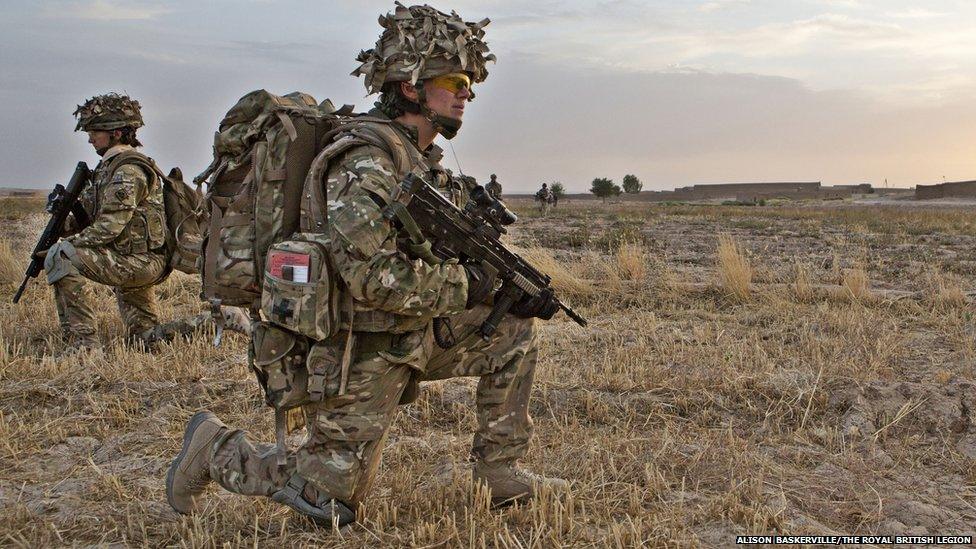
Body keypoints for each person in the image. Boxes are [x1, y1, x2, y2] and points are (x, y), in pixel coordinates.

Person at [166, 4, 568, 527]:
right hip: (358, 348)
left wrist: (505, 292)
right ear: (409, 87)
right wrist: (468, 286)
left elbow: (443, 262)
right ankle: (213, 447)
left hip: (408, 334)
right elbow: (374, 278)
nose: (466, 93)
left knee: (512, 332)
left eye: (469, 82)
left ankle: (499, 472)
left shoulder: (421, 163)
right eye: (455, 80)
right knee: (327, 503)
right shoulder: (365, 163)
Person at [41, 93, 169, 351]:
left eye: (95, 131)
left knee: (63, 256)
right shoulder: (108, 169)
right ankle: (214, 321)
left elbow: (109, 227)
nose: (90, 138)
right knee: (146, 338)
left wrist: (67, 244)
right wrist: (60, 220)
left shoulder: (127, 171)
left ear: (118, 133)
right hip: (131, 256)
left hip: (139, 261)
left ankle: (83, 345)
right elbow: (88, 218)